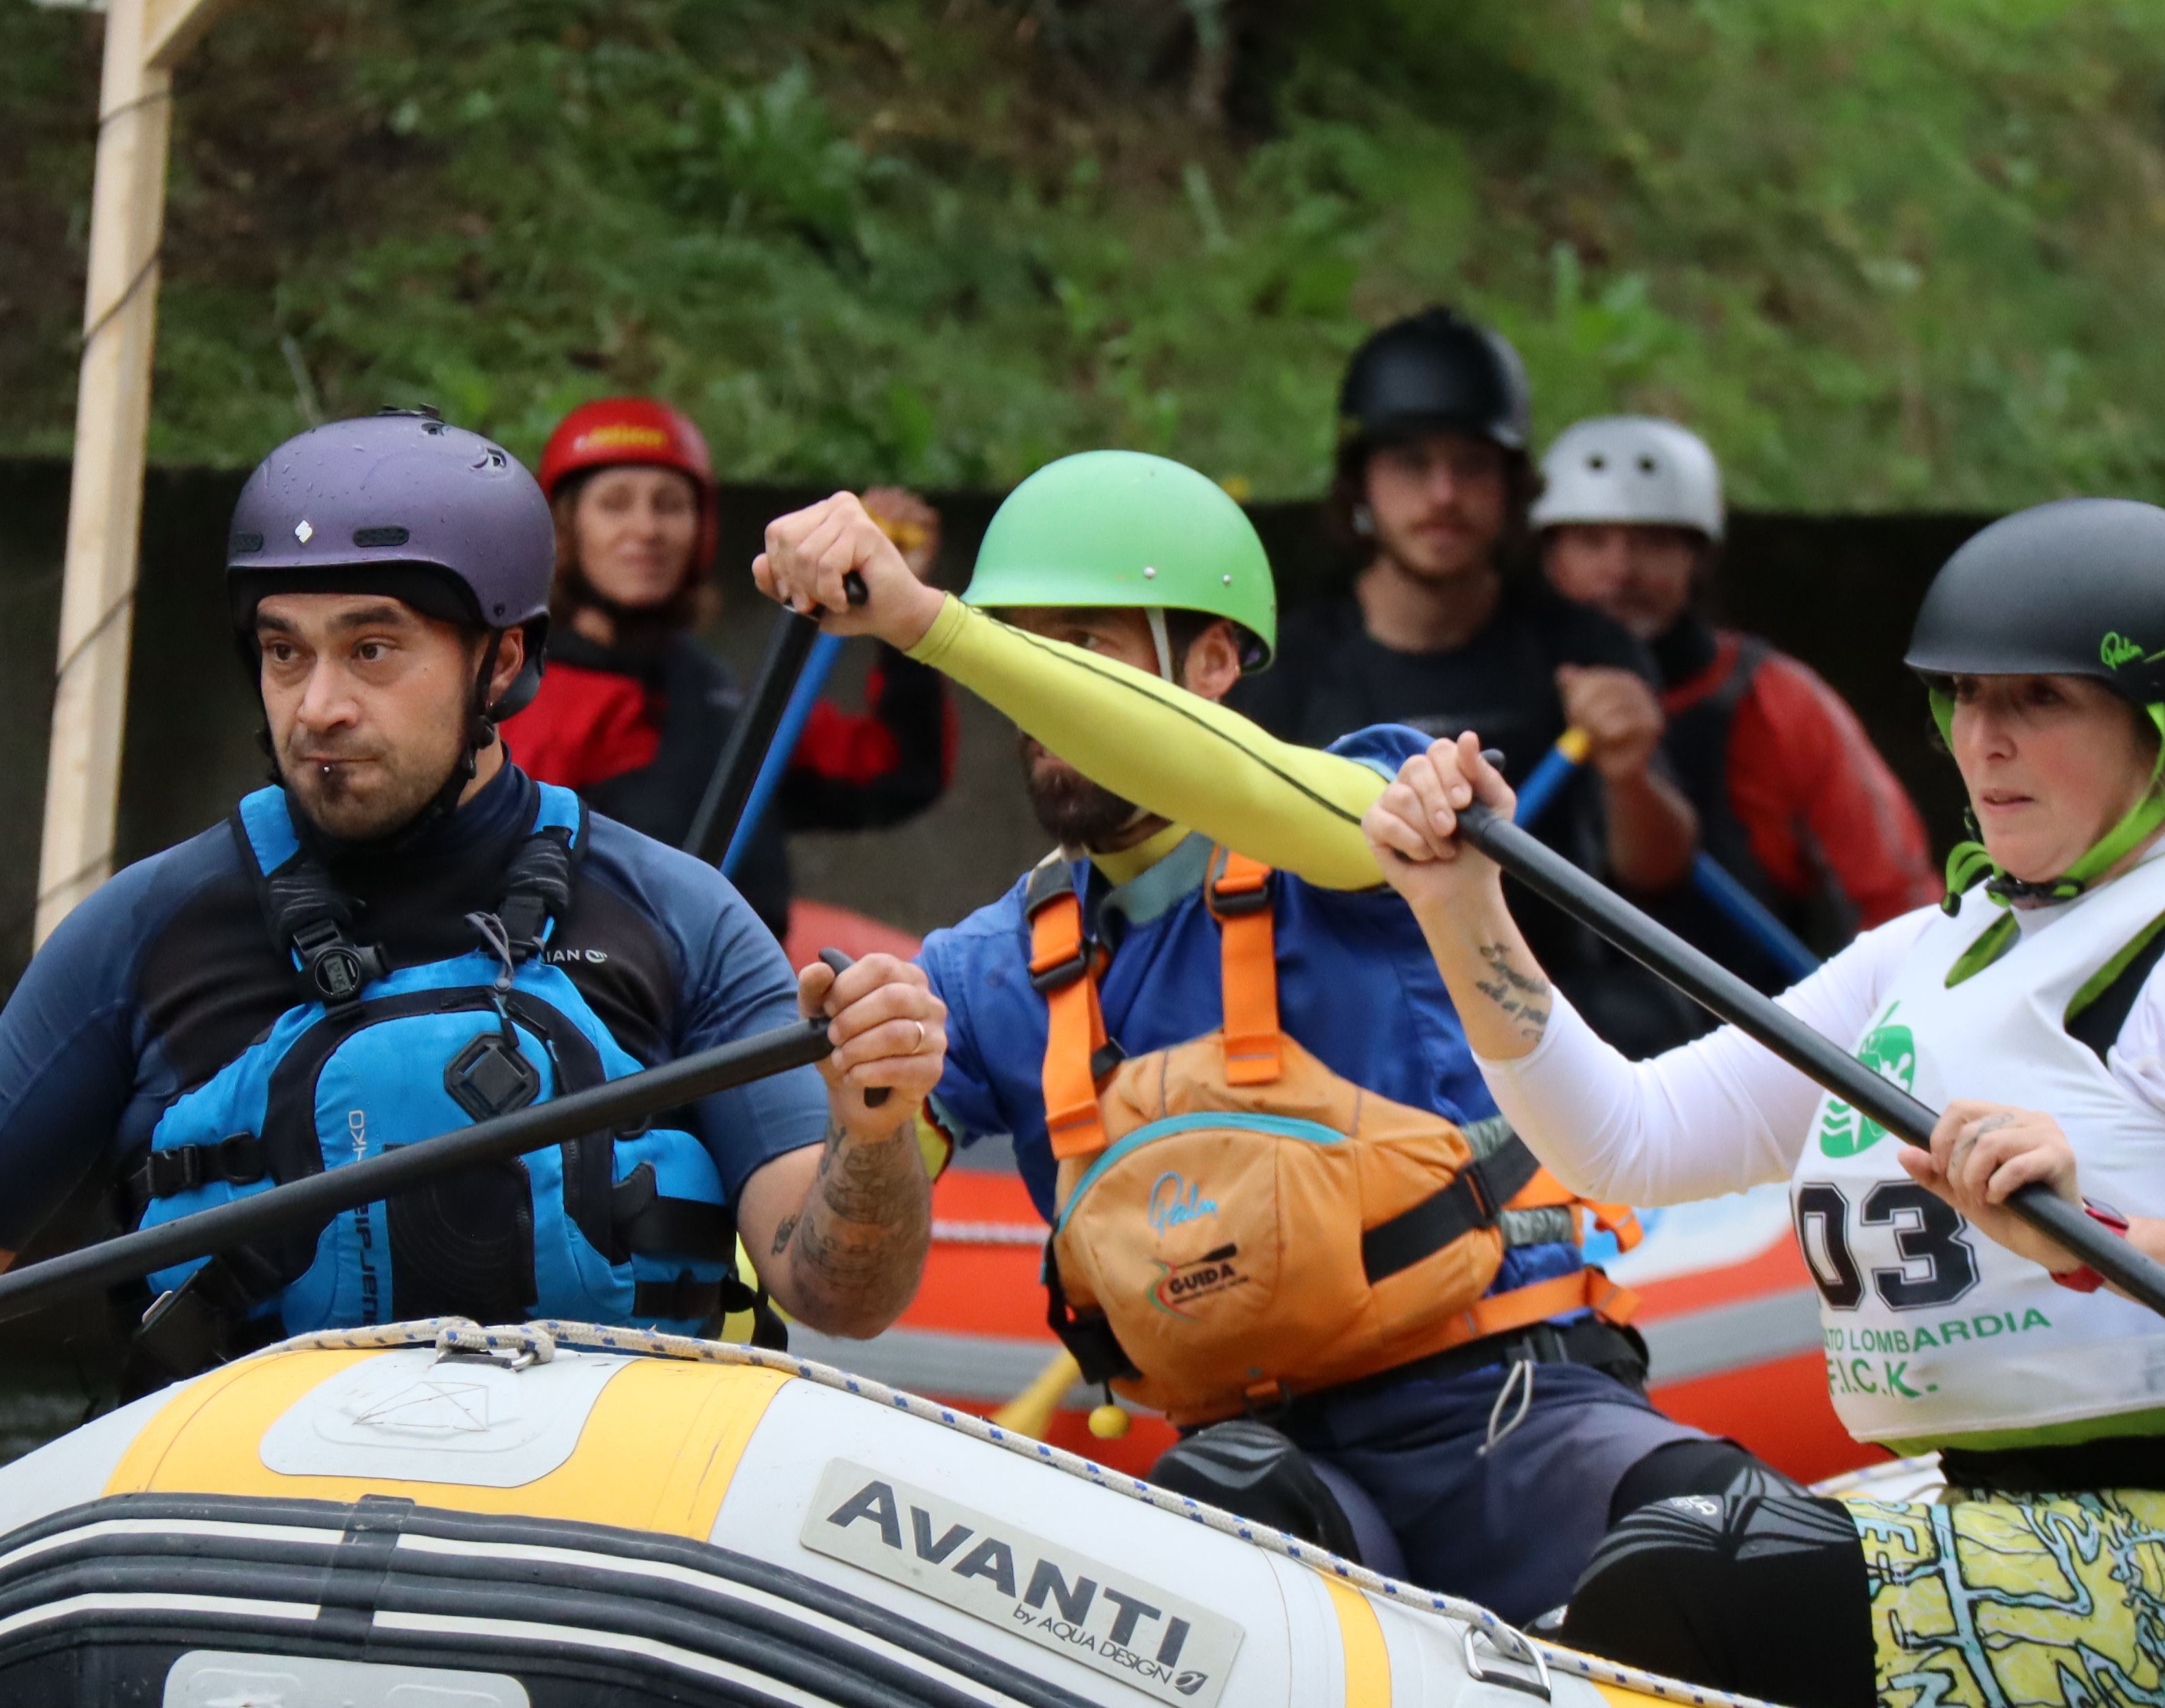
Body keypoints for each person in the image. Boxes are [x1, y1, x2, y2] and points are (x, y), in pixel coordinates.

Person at [1369, 498, 2165, 1708]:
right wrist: (1457, 901)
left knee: (1689, 1583)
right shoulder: (1921, 959)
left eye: (2040, 699)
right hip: (1994, 1518)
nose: (1983, 740)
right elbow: (1627, 1142)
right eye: (1963, 697)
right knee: (1637, 1562)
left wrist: (2100, 1243)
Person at [0, 411, 949, 1415]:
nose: (316, 706)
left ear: (505, 664)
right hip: (239, 1514)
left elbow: (840, 1292)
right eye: (284, 653)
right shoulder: (148, 929)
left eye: (374, 651)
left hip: (600, 1519)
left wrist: (875, 1136)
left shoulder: (681, 917)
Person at [754, 450, 1786, 1624]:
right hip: (1260, 1468)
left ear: (1212, 664)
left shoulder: (1379, 802)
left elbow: (1343, 829)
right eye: (1020, 649)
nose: (1035, 700)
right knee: (1231, 1503)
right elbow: (841, 1297)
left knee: (1747, 1551)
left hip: (1516, 1413)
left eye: (1077, 650)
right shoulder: (980, 973)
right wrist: (871, 1128)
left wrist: (934, 625)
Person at [1219, 309, 1703, 1055]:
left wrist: (1629, 772)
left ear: (1514, 489)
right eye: (1411, 464)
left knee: (1656, 1022)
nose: (1442, 494)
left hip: (1551, 1017)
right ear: (1360, 487)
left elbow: (1658, 873)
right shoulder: (1285, 668)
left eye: (1472, 465)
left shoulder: (1585, 647)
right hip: (1342, 1019)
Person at [499, 395, 956, 936]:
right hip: (591, 1006)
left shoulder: (715, 695)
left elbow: (898, 770)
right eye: (616, 503)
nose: (646, 529)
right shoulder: (520, 697)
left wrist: (898, 611)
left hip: (741, 1008)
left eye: (669, 505)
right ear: (567, 528)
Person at [1532, 412, 1940, 1000]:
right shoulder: (1505, 685)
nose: (1620, 570)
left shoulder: (1779, 700)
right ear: (1551, 556)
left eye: (1651, 542)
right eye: (1593, 542)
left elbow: (1896, 894)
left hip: (1746, 1042)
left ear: (1697, 557)